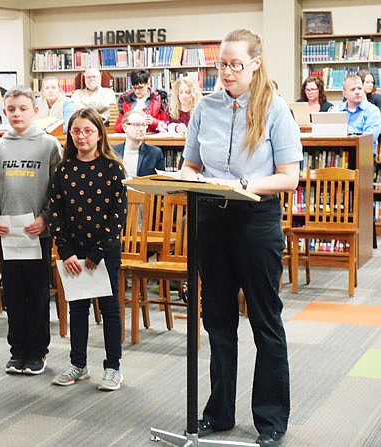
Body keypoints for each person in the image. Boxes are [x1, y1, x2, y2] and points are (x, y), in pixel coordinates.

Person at [181, 29, 303, 447]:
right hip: (211, 221)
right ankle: (219, 413)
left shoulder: (275, 109)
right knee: (217, 322)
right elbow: (193, 166)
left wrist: (247, 183)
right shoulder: (206, 107)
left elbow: (290, 177)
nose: (227, 71)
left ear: (255, 63)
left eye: (236, 64)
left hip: (255, 220)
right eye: (222, 64)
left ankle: (270, 421)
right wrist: (180, 178)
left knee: (265, 322)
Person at [0, 86, 62, 376]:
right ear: (5, 112)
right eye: (11, 109)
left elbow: (59, 191)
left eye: (23, 109)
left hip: (38, 233)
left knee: (38, 293)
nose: (17, 114)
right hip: (8, 235)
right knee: (12, 294)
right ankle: (18, 351)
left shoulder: (49, 145)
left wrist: (46, 219)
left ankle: (38, 352)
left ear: (34, 111)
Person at [50, 107, 127, 391]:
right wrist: (66, 251)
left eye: (88, 131)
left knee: (109, 309)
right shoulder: (64, 169)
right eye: (76, 131)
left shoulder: (113, 168)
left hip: (104, 253)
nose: (82, 136)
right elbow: (56, 212)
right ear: (69, 135)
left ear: (99, 134)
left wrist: (97, 252)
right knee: (78, 309)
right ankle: (78, 364)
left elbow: (117, 214)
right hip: (73, 253)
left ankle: (113, 367)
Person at [334, 74, 381, 156]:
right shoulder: (336, 111)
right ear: (345, 94)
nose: (357, 92)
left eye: (359, 88)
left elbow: (369, 138)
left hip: (364, 155)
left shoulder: (372, 111)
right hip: (339, 153)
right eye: (353, 89)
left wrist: (348, 134)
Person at [112, 110, 165, 179]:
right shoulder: (113, 152)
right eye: (137, 125)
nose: (141, 129)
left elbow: (161, 182)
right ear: (125, 127)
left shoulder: (155, 153)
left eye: (144, 125)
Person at [114, 68, 168, 133]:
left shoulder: (159, 99)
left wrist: (154, 122)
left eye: (140, 87)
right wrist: (128, 123)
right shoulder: (125, 100)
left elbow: (166, 125)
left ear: (147, 83)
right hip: (131, 137)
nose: (137, 91)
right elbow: (117, 128)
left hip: (151, 138)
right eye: (134, 88)